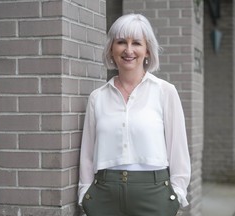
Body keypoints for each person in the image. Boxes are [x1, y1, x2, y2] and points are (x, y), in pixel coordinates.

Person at [78, 13, 191, 216]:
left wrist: (177, 193)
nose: (128, 50)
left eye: (136, 43)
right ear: (111, 49)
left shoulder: (165, 92)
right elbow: (87, 153)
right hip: (104, 194)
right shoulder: (98, 97)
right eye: (121, 42)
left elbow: (178, 148)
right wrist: (85, 194)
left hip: (155, 194)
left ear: (147, 50)